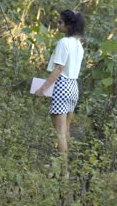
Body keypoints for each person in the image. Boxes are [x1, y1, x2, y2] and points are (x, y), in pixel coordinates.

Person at [36, 9, 85, 152]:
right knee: (66, 130)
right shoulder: (78, 44)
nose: (57, 25)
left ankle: (63, 172)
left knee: (60, 134)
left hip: (62, 87)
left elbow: (58, 69)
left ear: (68, 25)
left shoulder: (64, 42)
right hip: (73, 87)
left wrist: (42, 89)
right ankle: (61, 167)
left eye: (60, 22)